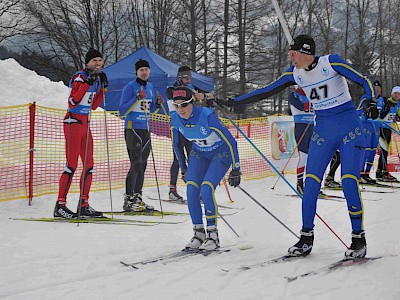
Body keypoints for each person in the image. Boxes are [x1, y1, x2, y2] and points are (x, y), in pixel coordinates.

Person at [225, 34, 378, 260]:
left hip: (349, 129)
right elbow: (266, 90)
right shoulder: (294, 73)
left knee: (348, 182)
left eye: (293, 53)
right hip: (323, 131)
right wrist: (237, 102)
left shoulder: (331, 62)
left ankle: (358, 238)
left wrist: (371, 100)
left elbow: (364, 80)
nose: (290, 57)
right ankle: (306, 237)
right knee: (310, 183)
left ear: (306, 52)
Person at [170, 86, 241, 250]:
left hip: (220, 153)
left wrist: (236, 168)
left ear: (192, 102)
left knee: (207, 188)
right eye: (177, 105)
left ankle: (213, 235)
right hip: (199, 154)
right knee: (191, 189)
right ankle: (198, 233)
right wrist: (183, 168)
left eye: (184, 104)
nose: (180, 109)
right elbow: (175, 144)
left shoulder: (206, 116)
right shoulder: (174, 118)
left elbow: (231, 142)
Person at [54, 48, 108, 219]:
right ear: (87, 63)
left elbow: (93, 106)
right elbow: (73, 101)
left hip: (85, 123)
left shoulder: (96, 79)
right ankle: (60, 205)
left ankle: (83, 204)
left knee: (89, 164)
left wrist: (103, 90)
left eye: (100, 60)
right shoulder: (80, 77)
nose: (98, 64)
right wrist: (87, 83)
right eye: (94, 61)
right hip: (73, 122)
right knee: (71, 164)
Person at [119, 59, 163, 212]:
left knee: (143, 165)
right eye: (141, 70)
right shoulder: (130, 87)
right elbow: (122, 111)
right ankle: (129, 199)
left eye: (146, 69)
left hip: (146, 129)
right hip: (133, 129)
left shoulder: (150, 87)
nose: (144, 72)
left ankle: (138, 197)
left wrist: (157, 104)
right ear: (136, 72)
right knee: (136, 163)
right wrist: (136, 98)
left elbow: (149, 112)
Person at [166, 66, 215, 202]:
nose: (188, 80)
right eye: (185, 77)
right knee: (177, 158)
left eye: (189, 77)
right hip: (177, 126)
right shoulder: (171, 87)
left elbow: (204, 94)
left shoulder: (191, 86)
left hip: (190, 126)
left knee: (194, 157)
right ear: (179, 77)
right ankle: (172, 190)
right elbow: (176, 94)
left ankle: (197, 190)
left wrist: (206, 96)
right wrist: (195, 94)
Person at [288, 86, 314, 194]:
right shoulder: (294, 95)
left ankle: (311, 185)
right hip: (301, 126)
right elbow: (302, 106)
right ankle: (299, 184)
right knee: (304, 156)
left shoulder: (311, 95)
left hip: (312, 127)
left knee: (313, 157)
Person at [358, 80, 384, 184]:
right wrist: (365, 111)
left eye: (378, 89)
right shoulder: (365, 97)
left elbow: (381, 114)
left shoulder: (381, 100)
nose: (377, 91)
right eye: (375, 89)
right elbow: (358, 111)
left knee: (373, 151)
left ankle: (367, 173)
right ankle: (360, 173)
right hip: (366, 126)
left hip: (376, 127)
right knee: (366, 150)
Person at [376, 86, 400, 182]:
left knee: (385, 151)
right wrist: (386, 110)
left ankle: (383, 171)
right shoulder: (385, 101)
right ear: (392, 94)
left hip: (389, 129)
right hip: (382, 128)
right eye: (395, 93)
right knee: (383, 151)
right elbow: (379, 115)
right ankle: (381, 172)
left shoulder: (397, 104)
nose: (397, 95)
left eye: (398, 94)